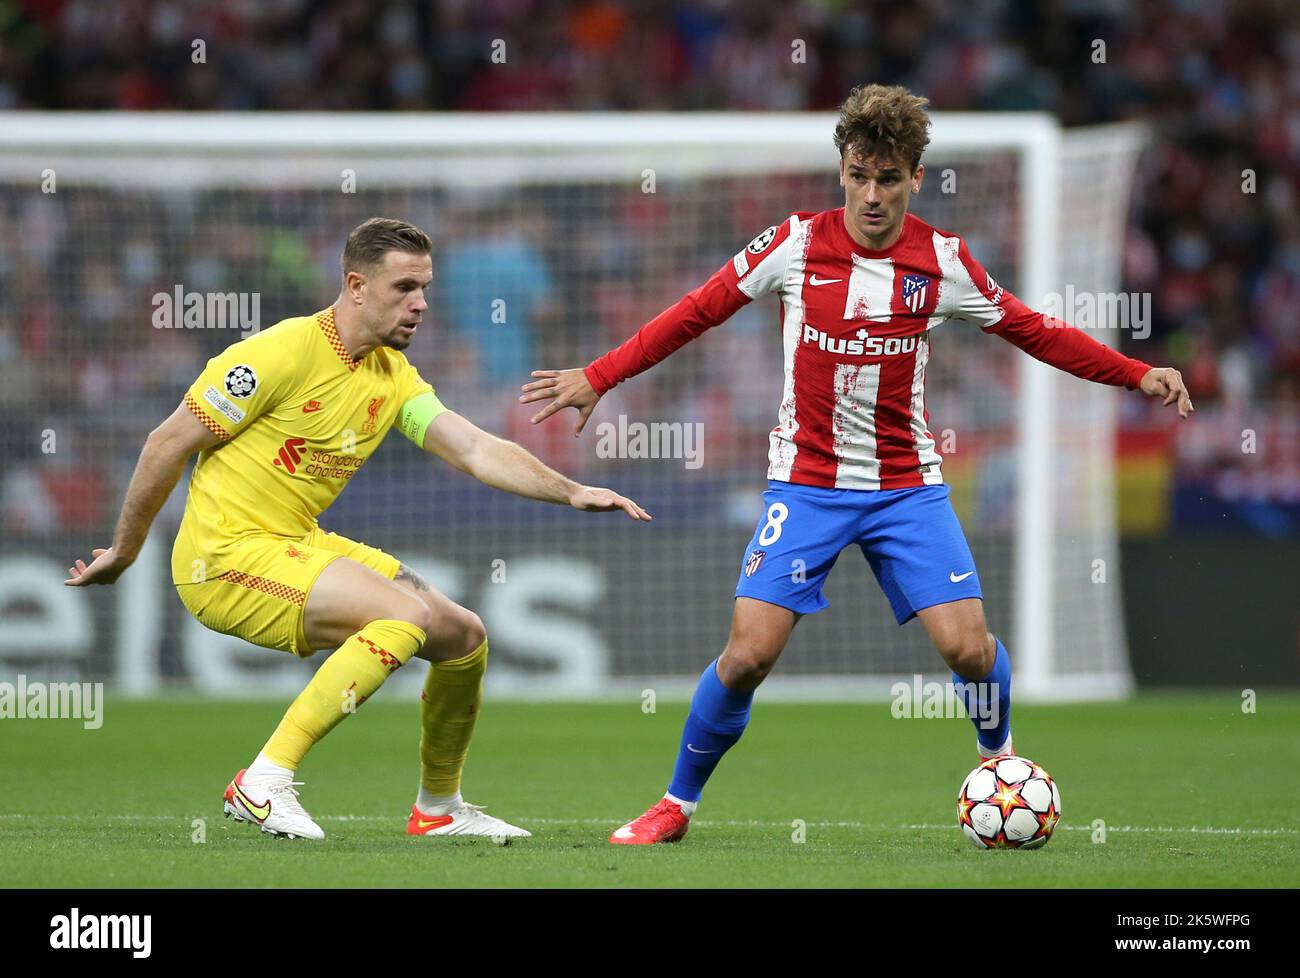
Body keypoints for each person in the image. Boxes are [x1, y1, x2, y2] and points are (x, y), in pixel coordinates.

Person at [520, 85, 1192, 845]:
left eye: (889, 177)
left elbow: (1035, 331)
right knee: (746, 656)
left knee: (968, 649)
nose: (872, 194)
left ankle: (998, 761)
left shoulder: (942, 263)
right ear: (842, 170)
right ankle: (676, 804)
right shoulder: (795, 245)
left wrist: (1135, 372)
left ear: (916, 177)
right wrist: (600, 375)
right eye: (858, 174)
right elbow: (697, 308)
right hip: (806, 484)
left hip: (907, 487)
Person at [66, 217, 650, 841]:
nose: (421, 303)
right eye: (404, 287)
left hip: (294, 542)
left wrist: (572, 490)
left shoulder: (392, 377)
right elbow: (164, 446)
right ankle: (263, 780)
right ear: (356, 286)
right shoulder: (276, 354)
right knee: (402, 617)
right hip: (224, 558)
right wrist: (127, 550)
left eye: (425, 288)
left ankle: (438, 807)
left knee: (462, 635)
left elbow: (475, 449)